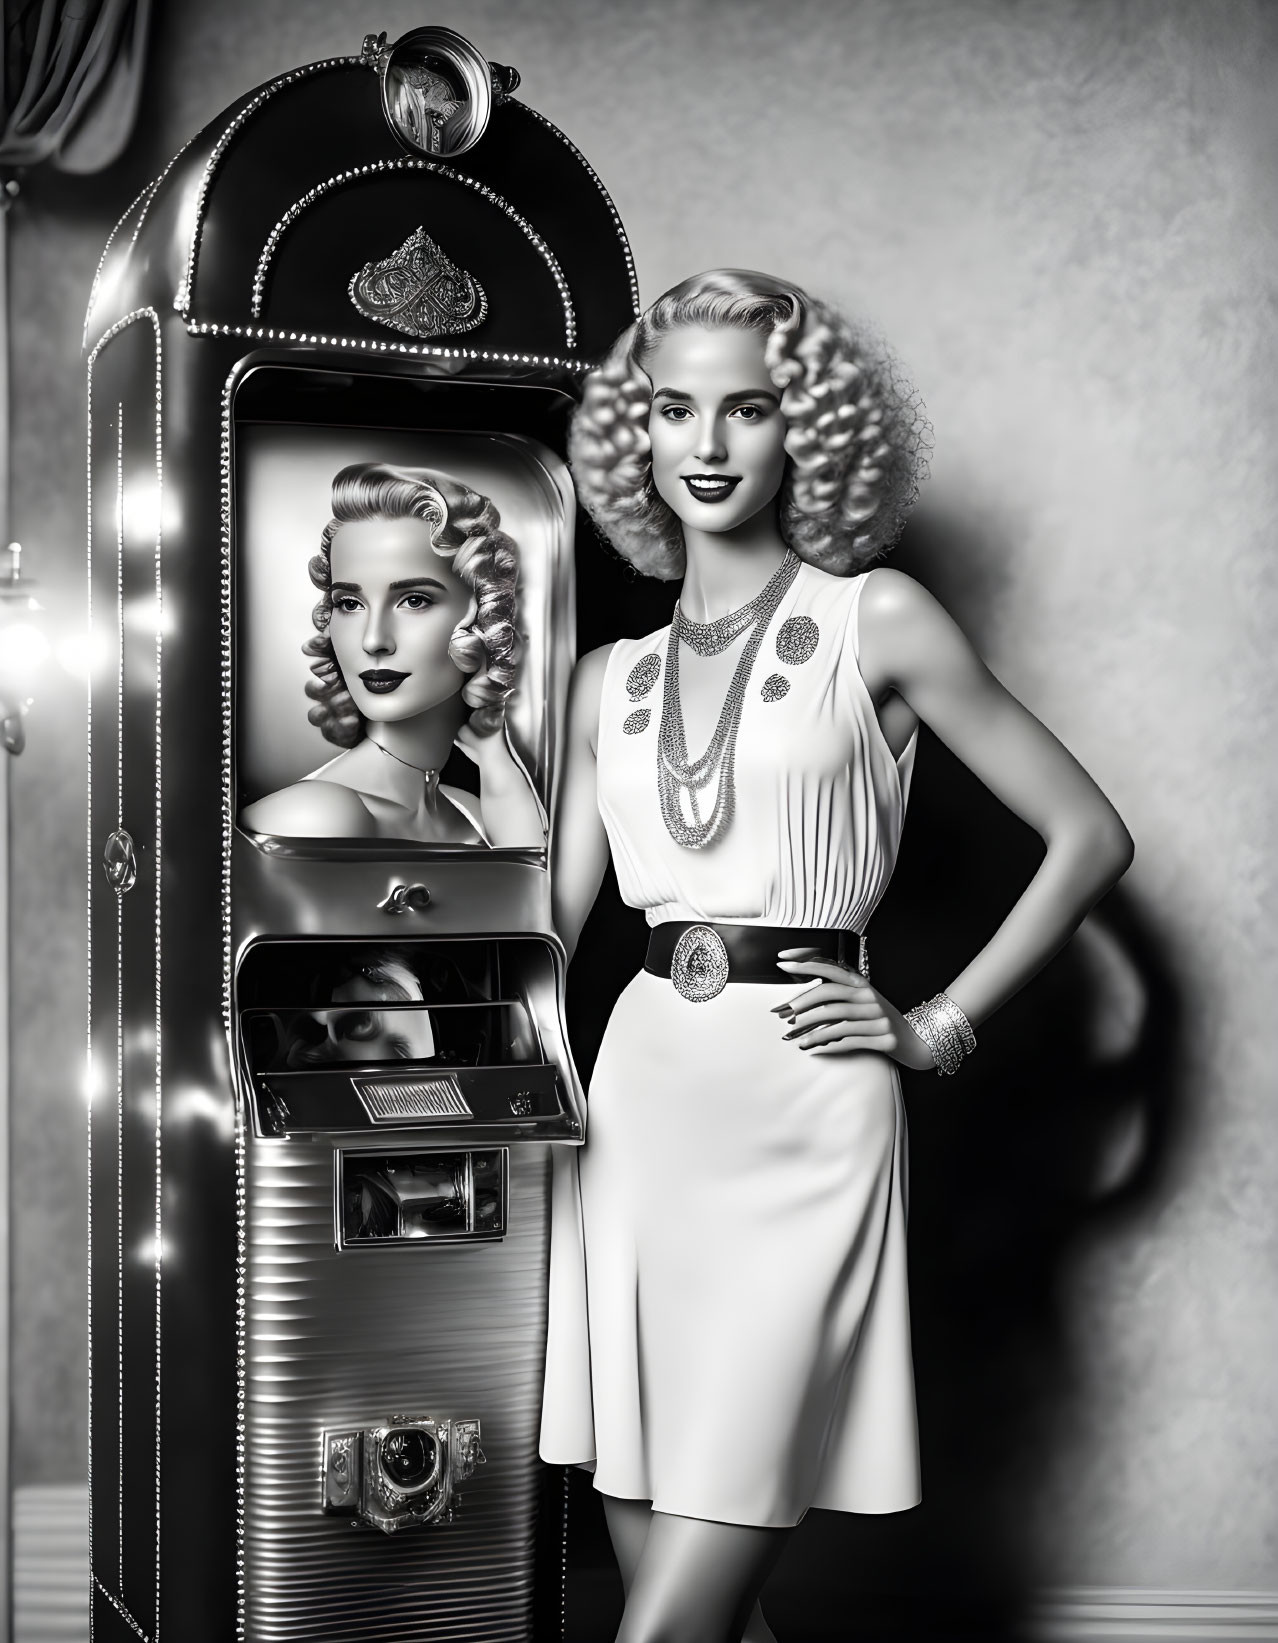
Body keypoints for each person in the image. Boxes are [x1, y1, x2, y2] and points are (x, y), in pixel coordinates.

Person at [539, 269, 1134, 1643]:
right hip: (637, 1110)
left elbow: (1087, 837)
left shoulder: (881, 619)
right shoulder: (603, 679)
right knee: (683, 1597)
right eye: (673, 409)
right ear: (635, 434)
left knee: (668, 1620)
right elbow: (548, 937)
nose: (704, 443)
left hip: (806, 1104)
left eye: (744, 408)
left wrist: (936, 1024)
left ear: (803, 427)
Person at [239, 460, 544, 847]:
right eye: (349, 603)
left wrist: (497, 761)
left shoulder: (474, 814)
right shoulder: (317, 816)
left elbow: (540, 906)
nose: (373, 640)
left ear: (485, 614)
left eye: (414, 600)